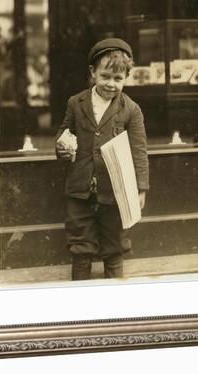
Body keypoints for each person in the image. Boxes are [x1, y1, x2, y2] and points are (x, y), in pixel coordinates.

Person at [55, 38, 149, 280]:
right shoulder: (76, 103)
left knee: (114, 246)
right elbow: (65, 132)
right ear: (93, 73)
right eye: (105, 76)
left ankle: (114, 299)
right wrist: (62, 147)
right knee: (80, 247)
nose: (111, 84)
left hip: (115, 190)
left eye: (118, 79)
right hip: (80, 188)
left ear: (127, 77)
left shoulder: (131, 109)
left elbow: (139, 150)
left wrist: (140, 189)